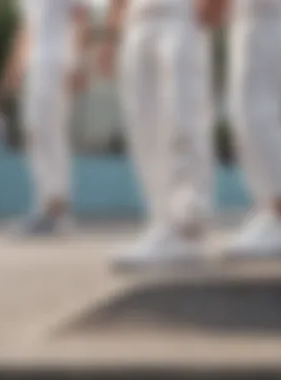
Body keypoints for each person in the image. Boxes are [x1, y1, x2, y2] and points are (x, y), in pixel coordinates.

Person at [99, 0, 219, 269]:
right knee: (144, 128)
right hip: (137, 19)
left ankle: (187, 227)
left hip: (181, 13)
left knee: (182, 118)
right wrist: (110, 36)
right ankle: (162, 223)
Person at [217, 0, 281, 256]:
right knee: (245, 113)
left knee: (259, 113)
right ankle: (269, 206)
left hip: (268, 17)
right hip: (253, 18)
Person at [0, 0, 91, 236]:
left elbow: (80, 16)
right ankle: (45, 204)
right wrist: (15, 67)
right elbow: (27, 27)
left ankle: (55, 209)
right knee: (35, 131)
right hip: (35, 65)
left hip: (58, 63)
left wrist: (79, 62)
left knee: (50, 133)